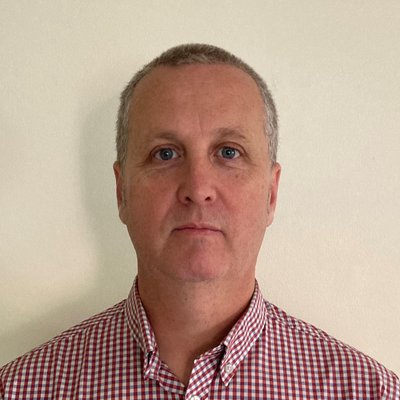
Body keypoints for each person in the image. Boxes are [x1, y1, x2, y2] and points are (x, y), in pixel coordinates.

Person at [0, 43, 398, 400]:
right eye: (165, 154)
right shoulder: (20, 389)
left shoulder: (370, 392)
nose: (198, 187)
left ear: (271, 194)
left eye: (228, 152)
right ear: (122, 192)